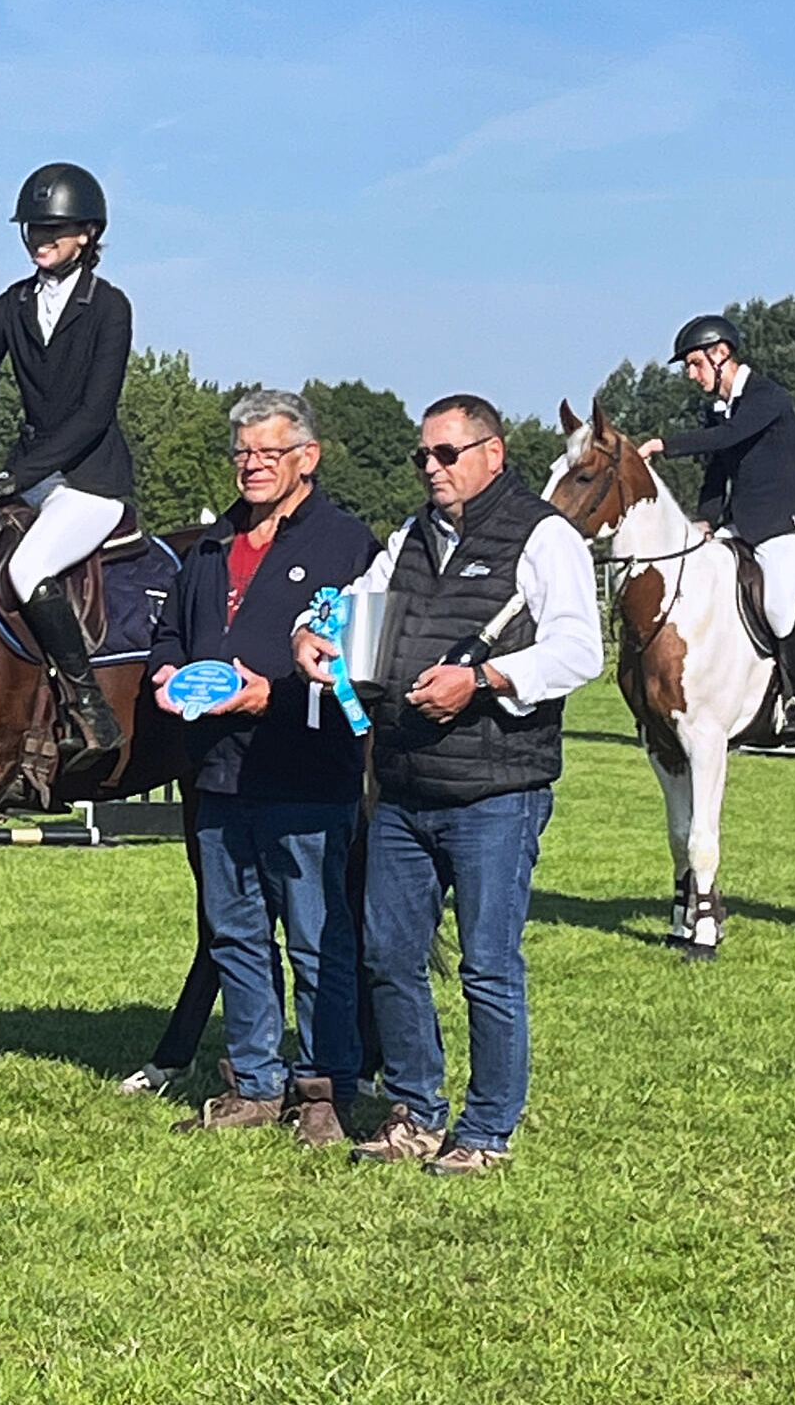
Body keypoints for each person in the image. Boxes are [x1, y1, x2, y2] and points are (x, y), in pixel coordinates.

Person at [294, 394, 602, 1175]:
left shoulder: (544, 536)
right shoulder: (409, 537)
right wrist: (314, 634)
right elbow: (356, 608)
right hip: (403, 784)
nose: (431, 468)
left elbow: (579, 650)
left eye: (446, 454)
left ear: (493, 454)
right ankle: (416, 1113)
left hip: (497, 790)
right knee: (390, 956)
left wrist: (486, 678)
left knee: (487, 967)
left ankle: (488, 1130)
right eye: (422, 457)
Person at [148, 390, 378, 1146]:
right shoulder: (211, 546)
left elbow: (359, 664)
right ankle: (253, 1083)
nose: (251, 466)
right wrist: (167, 672)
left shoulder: (348, 546)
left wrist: (267, 696)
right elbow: (170, 633)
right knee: (235, 935)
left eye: (267, 453)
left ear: (307, 458)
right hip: (218, 773)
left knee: (317, 939)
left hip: (305, 770)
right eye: (242, 453)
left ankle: (326, 1088)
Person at [0, 162, 135, 769]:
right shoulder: (12, 305)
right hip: (36, 475)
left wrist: (12, 478)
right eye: (34, 228)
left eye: (54, 229)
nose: (41, 238)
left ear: (87, 235)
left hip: (92, 482)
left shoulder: (109, 307)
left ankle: (90, 710)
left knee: (26, 566)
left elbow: (93, 415)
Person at [639, 314, 795, 744]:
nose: (691, 374)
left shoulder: (767, 397)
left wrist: (664, 445)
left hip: (782, 529)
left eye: (695, 364)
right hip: (738, 527)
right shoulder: (719, 410)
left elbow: (728, 438)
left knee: (778, 608)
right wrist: (705, 520)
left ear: (722, 354)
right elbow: (716, 473)